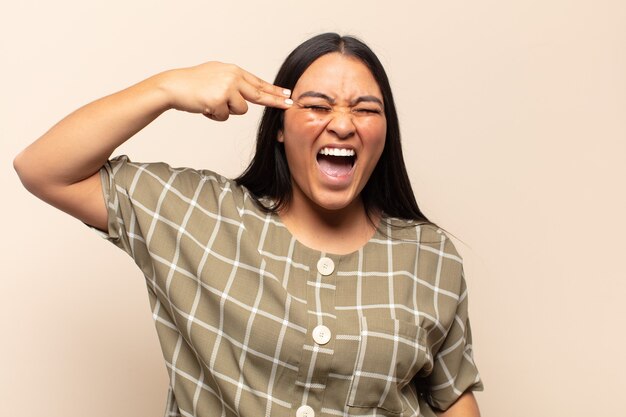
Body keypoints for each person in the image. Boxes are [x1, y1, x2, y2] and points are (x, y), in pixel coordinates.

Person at [14, 33, 483, 417]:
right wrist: (167, 88)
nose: (343, 125)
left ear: (385, 132)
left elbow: (452, 399)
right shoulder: (201, 215)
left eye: (365, 109)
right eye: (317, 106)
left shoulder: (429, 255)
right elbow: (44, 169)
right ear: (279, 127)